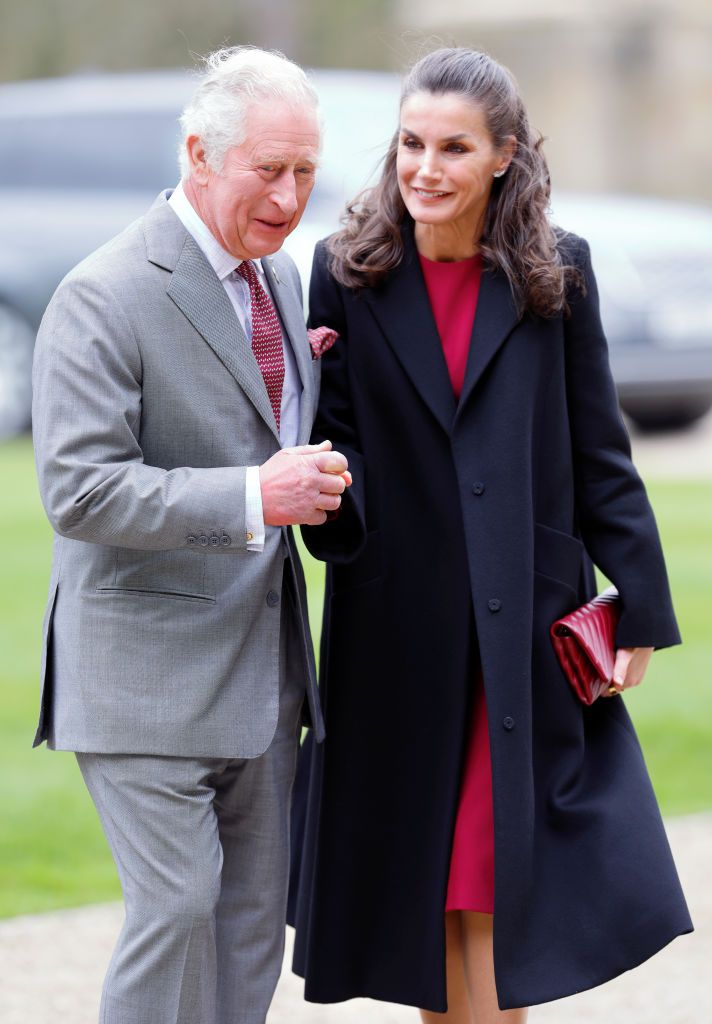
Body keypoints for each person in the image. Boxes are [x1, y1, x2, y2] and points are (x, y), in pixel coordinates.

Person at [288, 47, 692, 1022]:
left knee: (489, 879)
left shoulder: (558, 271)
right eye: (411, 143)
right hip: (398, 637)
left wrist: (635, 602)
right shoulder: (344, 274)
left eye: (453, 148)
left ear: (503, 155)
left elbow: (599, 450)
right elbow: (326, 453)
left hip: (523, 632)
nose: (424, 168)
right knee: (434, 888)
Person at [32, 46, 350, 1024]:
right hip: (145, 681)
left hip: (263, 674)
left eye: (305, 170)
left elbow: (257, 415)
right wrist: (255, 495)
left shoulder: (281, 281)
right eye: (268, 168)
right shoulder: (104, 291)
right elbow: (79, 490)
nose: (290, 194)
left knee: (252, 927)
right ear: (198, 154)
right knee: (176, 911)